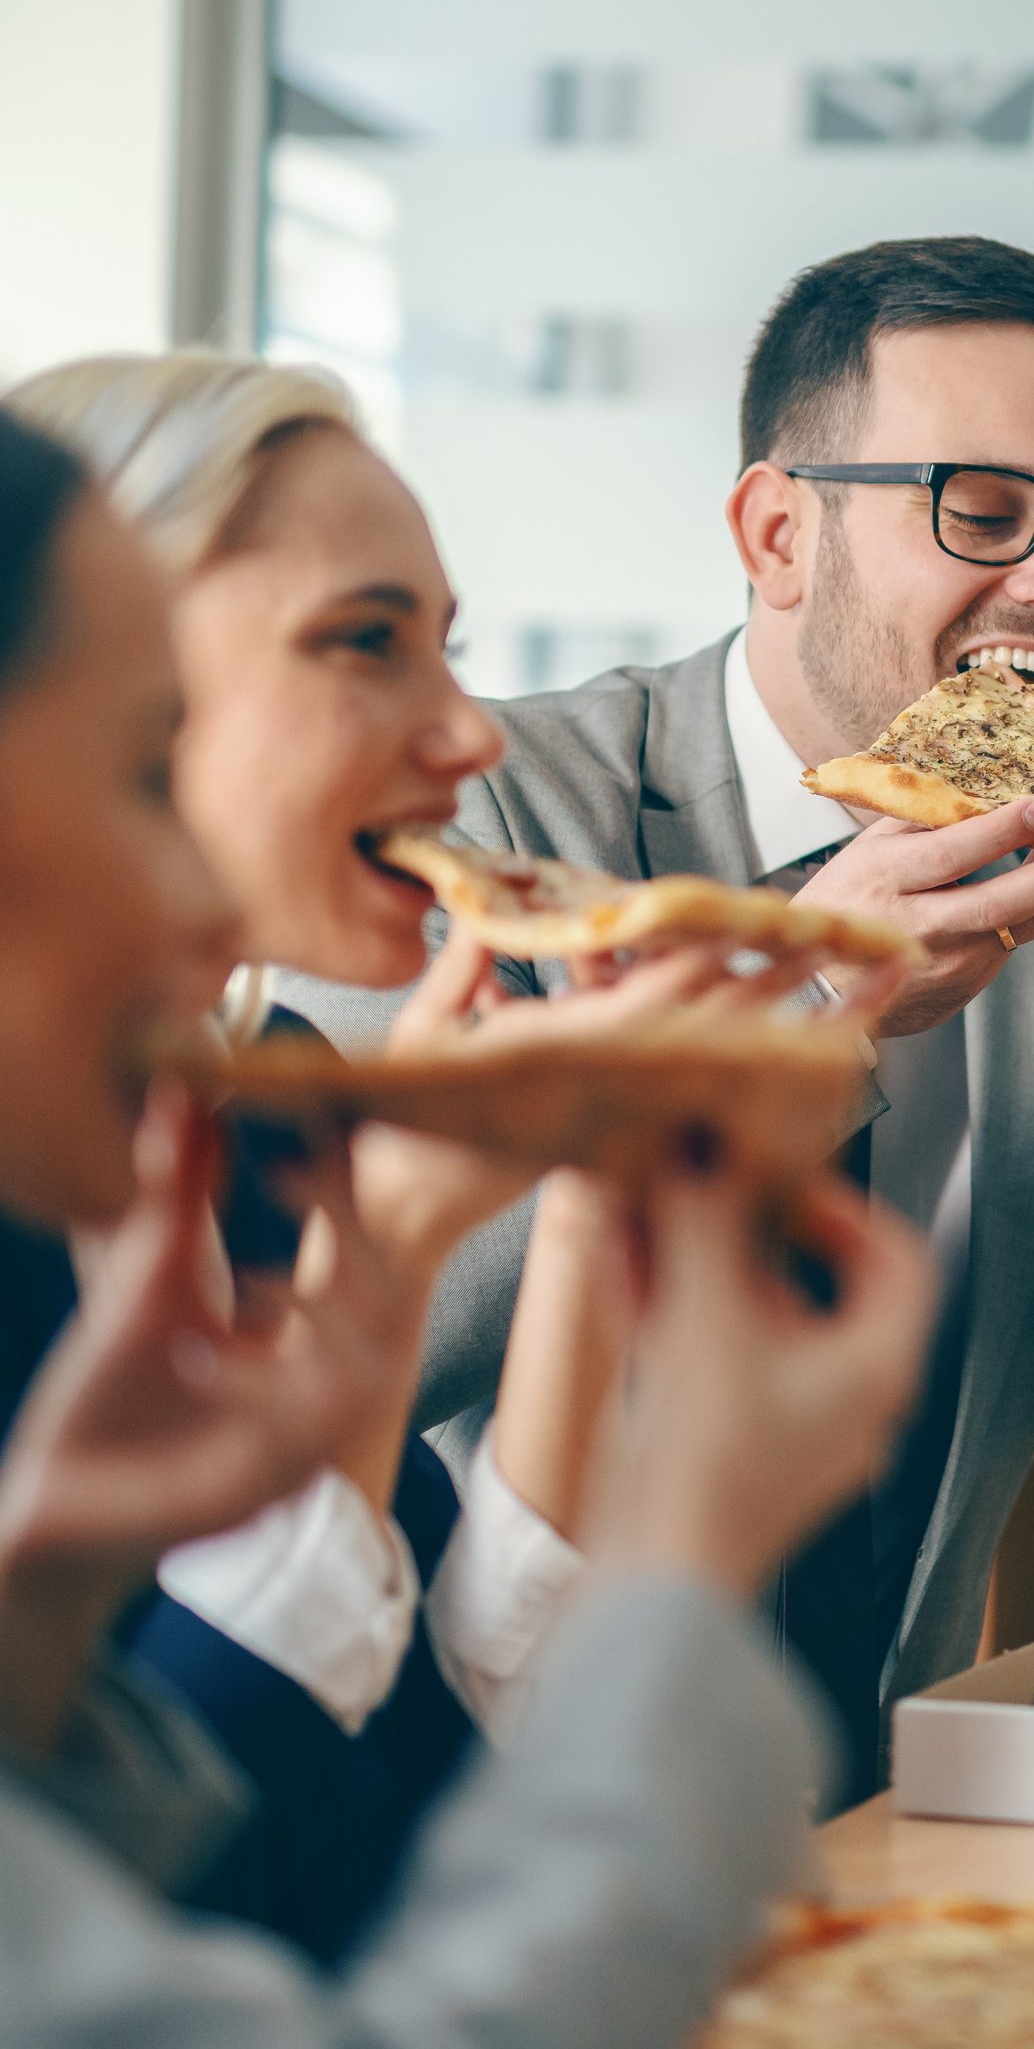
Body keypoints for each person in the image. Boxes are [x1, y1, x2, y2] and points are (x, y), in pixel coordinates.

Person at [286, 233, 1034, 1803]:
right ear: (778, 532)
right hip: (443, 1828)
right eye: (982, 511)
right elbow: (347, 1344)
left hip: (869, 1846)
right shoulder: (487, 811)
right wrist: (795, 1014)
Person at [0, 405, 943, 2045]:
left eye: (447, 647)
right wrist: (695, 1540)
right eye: (363, 644)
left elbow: (424, 1725)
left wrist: (557, 1200)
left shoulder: (247, 1136)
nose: (475, 741)